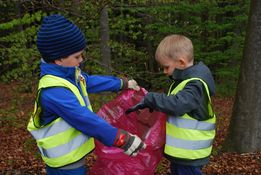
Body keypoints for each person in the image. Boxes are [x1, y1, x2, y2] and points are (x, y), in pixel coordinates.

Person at [27, 14, 145, 175]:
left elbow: (88, 81)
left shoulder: (68, 74)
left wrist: (121, 83)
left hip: (73, 159)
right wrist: (122, 139)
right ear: (59, 59)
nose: (81, 60)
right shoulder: (54, 91)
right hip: (64, 166)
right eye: (77, 56)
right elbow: (84, 119)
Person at [126, 34, 216, 175]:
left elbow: (177, 105)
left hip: (190, 153)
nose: (164, 72)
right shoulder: (183, 82)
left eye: (166, 67)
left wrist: (151, 98)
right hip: (183, 153)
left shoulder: (195, 85)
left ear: (181, 63)